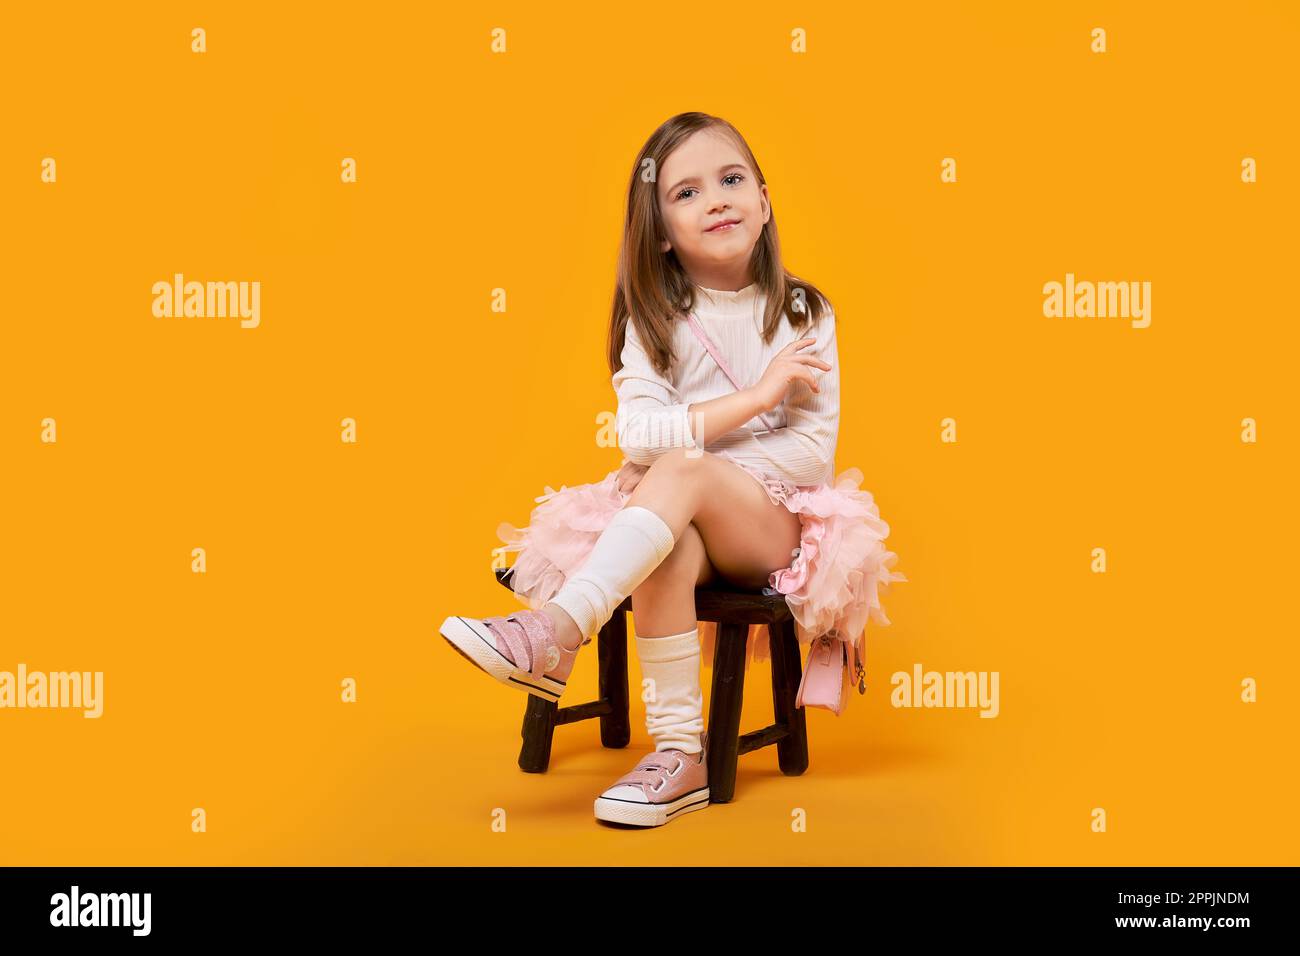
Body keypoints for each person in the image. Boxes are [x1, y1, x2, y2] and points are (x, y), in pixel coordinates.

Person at [439, 111, 905, 828]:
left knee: (678, 476)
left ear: (765, 199)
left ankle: (554, 635)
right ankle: (680, 757)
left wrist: (686, 466)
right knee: (668, 545)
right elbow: (637, 430)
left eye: (731, 180)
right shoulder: (652, 319)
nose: (716, 198)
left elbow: (811, 454)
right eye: (685, 193)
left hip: (771, 530)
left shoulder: (802, 311)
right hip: (683, 522)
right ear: (658, 230)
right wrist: (749, 405)